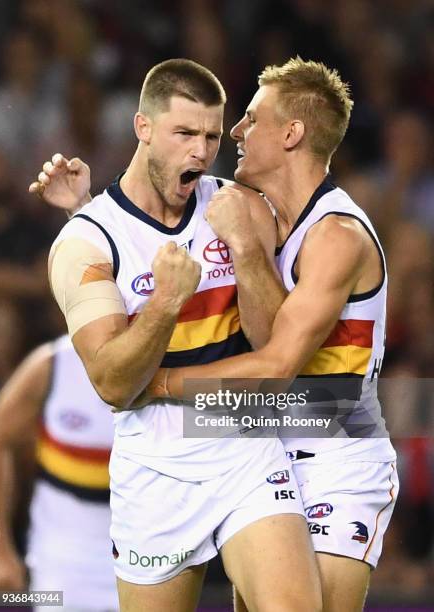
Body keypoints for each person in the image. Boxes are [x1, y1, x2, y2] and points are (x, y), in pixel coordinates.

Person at [37, 59, 321, 612]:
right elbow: (114, 385)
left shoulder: (236, 207)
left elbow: (273, 347)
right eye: (185, 133)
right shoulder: (88, 243)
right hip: (156, 467)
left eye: (212, 135)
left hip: (245, 448)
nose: (201, 150)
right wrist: (167, 301)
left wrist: (246, 250)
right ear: (143, 128)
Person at [136, 57, 398, 612]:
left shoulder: (337, 235)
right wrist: (77, 208)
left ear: (292, 133)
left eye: (250, 118)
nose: (234, 132)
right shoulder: (264, 214)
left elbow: (279, 367)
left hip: (337, 455)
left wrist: (158, 385)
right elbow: (261, 337)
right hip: (269, 447)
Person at [0, 336, 118, 611]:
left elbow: (233, 429)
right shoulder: (51, 365)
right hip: (63, 561)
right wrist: (0, 551)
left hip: (155, 551)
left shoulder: (181, 367)